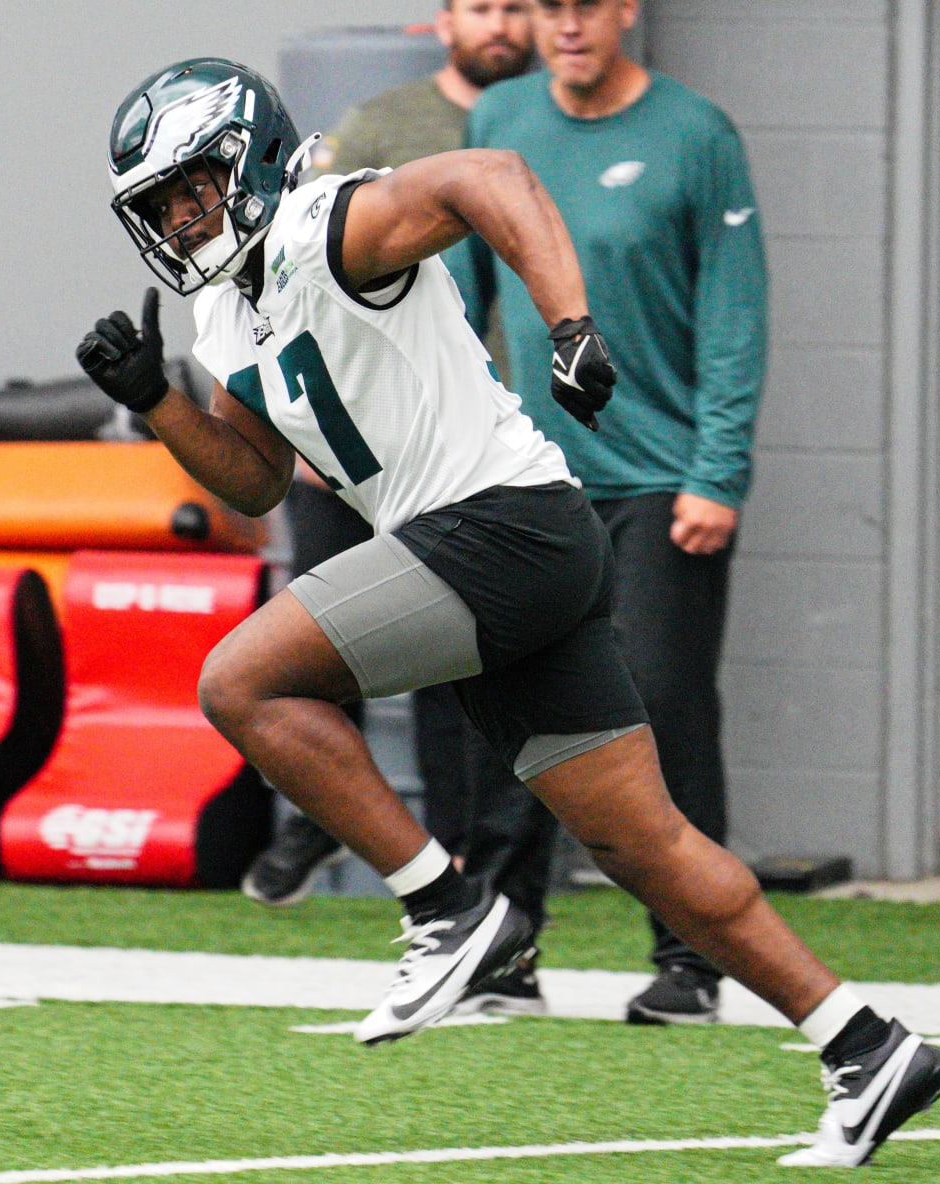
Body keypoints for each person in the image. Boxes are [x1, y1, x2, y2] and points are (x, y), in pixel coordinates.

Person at [75, 56, 940, 1168]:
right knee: (649, 847)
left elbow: (490, 174)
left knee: (239, 680)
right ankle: (865, 1046)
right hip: (488, 555)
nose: (176, 215)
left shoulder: (326, 223)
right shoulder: (227, 315)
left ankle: (448, 912)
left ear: (245, 158)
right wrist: (153, 399)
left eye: (189, 187)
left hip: (502, 525)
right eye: (157, 205)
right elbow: (252, 478)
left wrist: (570, 323)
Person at [242, 0, 553, 1021]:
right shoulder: (377, 126)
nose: (502, 23)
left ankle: (489, 918)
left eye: (521, 6)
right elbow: (300, 286)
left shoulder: (539, 123)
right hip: (358, 448)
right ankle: (349, 833)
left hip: (480, 450)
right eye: (484, 4)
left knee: (472, 693)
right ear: (444, 19)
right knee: (303, 649)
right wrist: (318, 426)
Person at [463, 0, 761, 1026]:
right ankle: (502, 951)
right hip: (526, 479)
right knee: (516, 708)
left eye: (587, 5)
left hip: (661, 483)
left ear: (625, 10)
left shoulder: (697, 134)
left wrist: (717, 472)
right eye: (550, 9)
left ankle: (691, 962)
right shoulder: (498, 120)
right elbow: (457, 304)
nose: (568, 26)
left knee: (662, 711)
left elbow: (736, 312)